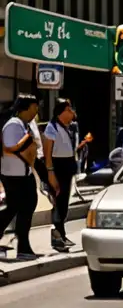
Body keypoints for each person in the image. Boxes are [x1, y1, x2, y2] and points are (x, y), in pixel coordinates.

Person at [0, 95, 42, 260]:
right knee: (16, 208)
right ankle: (23, 248)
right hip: (14, 175)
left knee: (24, 208)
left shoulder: (23, 125)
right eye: (34, 107)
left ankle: (24, 247)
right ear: (25, 108)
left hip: (23, 174)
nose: (36, 111)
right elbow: (13, 148)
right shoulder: (13, 125)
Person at [39, 98, 80, 253]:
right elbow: (48, 152)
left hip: (68, 166)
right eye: (69, 110)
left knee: (64, 204)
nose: (72, 113)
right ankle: (57, 236)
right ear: (61, 112)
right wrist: (51, 172)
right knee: (58, 202)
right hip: (58, 167)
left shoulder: (69, 128)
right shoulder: (52, 127)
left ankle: (62, 234)